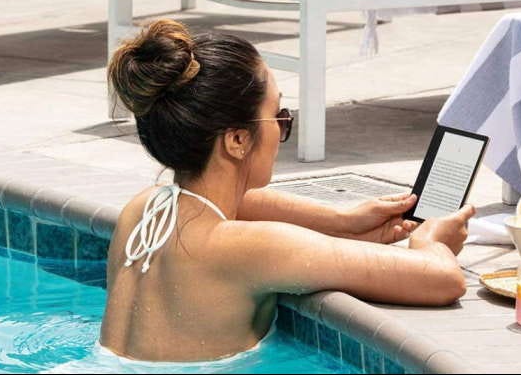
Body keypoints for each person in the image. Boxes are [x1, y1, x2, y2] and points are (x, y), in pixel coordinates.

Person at [99, 19, 476, 362]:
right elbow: (442, 280)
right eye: (280, 117)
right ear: (237, 139)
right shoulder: (255, 248)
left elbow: (236, 202)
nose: (282, 132)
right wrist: (432, 239)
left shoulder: (144, 210)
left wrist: (342, 221)